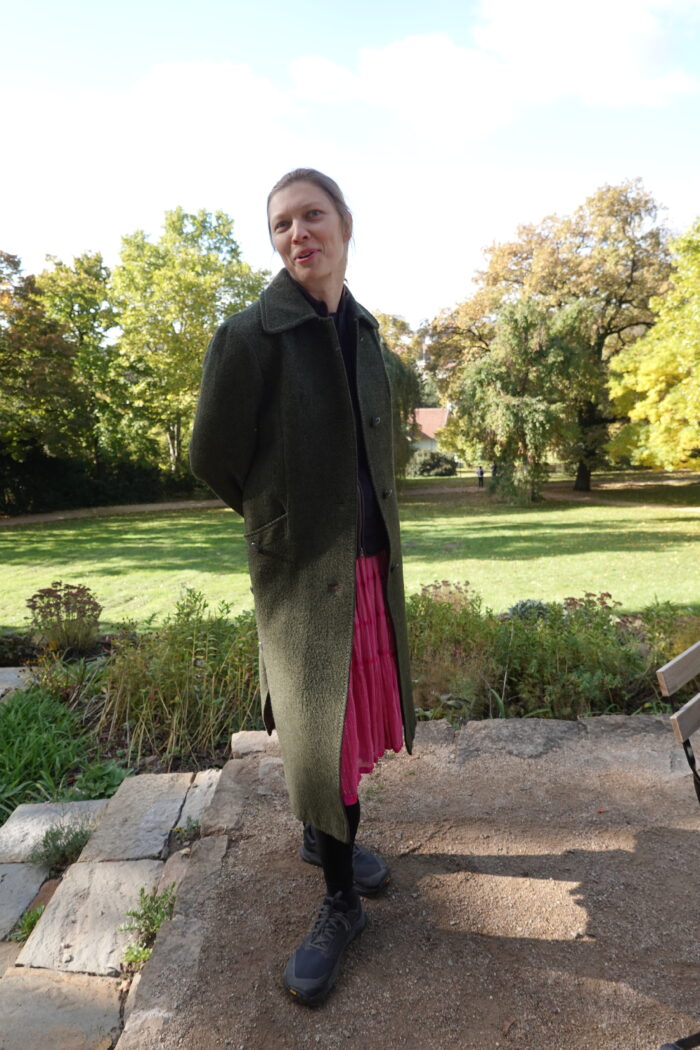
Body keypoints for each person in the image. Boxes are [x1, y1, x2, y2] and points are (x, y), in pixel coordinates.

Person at [190, 168, 415, 1006]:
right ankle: (339, 902)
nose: (297, 234)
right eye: (281, 223)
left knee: (344, 736)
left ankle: (325, 840)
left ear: (345, 224)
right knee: (324, 736)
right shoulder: (249, 337)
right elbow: (212, 456)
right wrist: (277, 522)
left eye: (311, 215)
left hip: (367, 567)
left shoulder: (365, 330)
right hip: (304, 577)